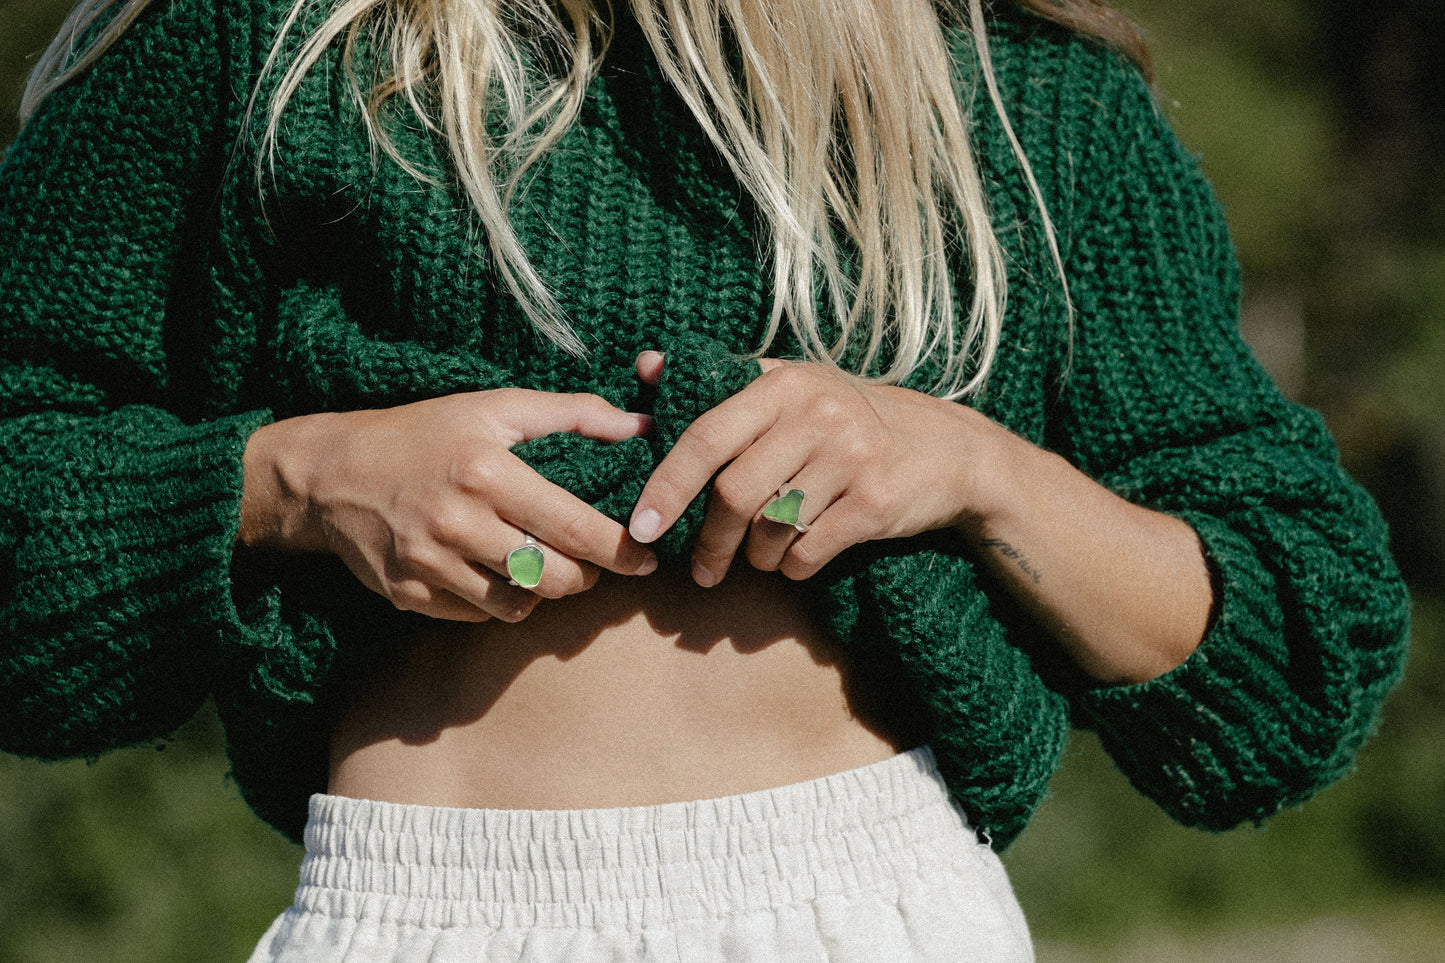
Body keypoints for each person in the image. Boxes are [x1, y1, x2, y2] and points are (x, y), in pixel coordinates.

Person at [0, 0, 1410, 958]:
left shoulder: (1028, 98)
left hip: (872, 913)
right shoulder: (269, 47)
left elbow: (1285, 664)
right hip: (421, 911)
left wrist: (974, 469)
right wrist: (286, 483)